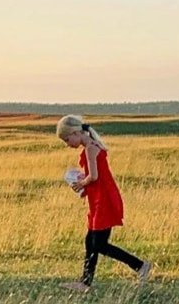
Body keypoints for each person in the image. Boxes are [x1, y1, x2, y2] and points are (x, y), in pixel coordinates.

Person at [56, 115, 152, 291]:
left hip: (103, 200)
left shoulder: (90, 149)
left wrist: (80, 183)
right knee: (90, 241)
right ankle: (85, 282)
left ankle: (140, 266)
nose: (68, 144)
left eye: (67, 139)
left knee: (99, 244)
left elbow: (94, 176)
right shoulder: (92, 146)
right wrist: (84, 185)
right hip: (99, 198)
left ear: (76, 132)